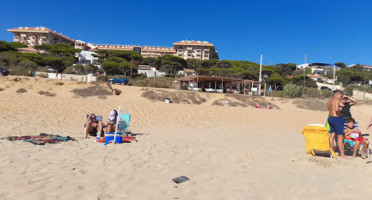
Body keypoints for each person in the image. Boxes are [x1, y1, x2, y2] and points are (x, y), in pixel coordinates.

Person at [327, 90, 346, 158]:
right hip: (337, 118)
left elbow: (329, 109)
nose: (341, 98)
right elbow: (337, 110)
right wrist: (340, 114)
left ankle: (331, 151)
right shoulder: (337, 99)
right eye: (341, 96)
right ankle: (341, 154)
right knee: (340, 137)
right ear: (338, 94)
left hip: (330, 118)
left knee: (332, 136)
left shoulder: (329, 101)